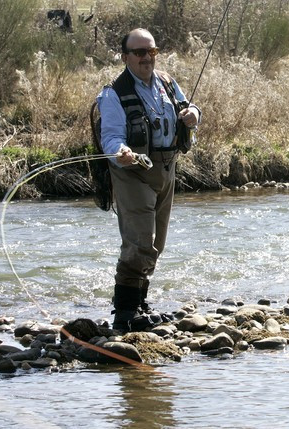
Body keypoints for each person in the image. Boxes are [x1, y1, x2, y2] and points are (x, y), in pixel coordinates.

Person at [96, 28, 201, 332]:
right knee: (140, 241)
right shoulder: (113, 93)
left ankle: (140, 303)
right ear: (125, 56)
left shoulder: (167, 82)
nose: (146, 58)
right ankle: (124, 313)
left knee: (157, 243)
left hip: (167, 169)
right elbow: (111, 137)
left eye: (151, 52)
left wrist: (193, 114)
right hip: (132, 173)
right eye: (139, 53)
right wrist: (121, 151)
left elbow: (189, 108)